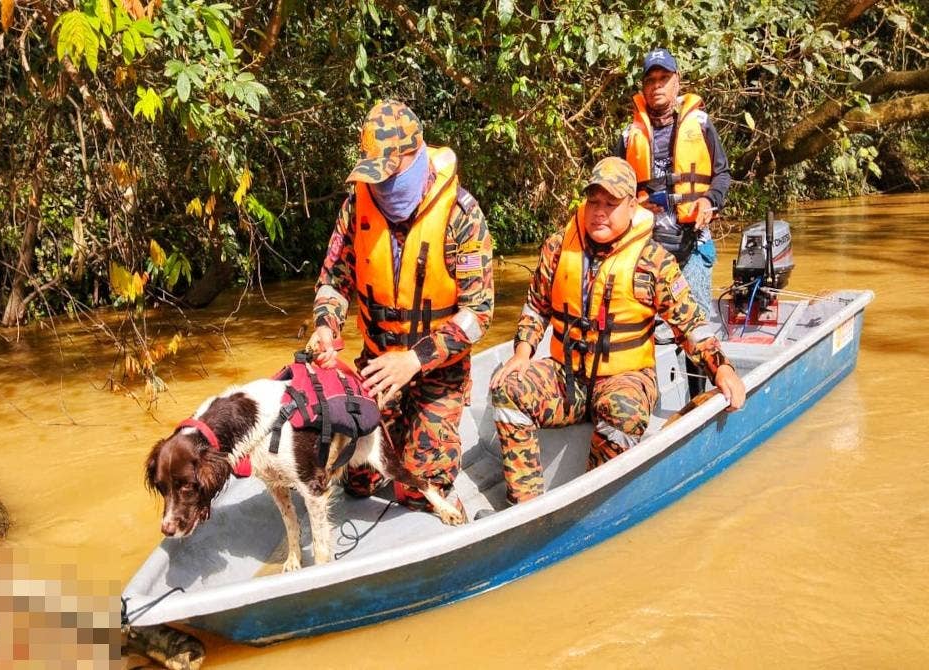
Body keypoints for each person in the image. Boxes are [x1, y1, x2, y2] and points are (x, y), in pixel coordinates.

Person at [489, 157, 744, 506]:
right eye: (593, 202)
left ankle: (594, 502)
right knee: (508, 389)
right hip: (568, 375)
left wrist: (722, 367)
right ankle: (525, 507)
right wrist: (522, 353)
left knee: (624, 410)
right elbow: (536, 306)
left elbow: (690, 325)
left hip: (626, 375)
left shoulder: (653, 261)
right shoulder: (558, 246)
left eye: (611, 204)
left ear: (632, 205)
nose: (599, 212)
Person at [307, 100, 494, 513]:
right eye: (375, 176)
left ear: (416, 154)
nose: (382, 187)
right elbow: (333, 281)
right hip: (376, 365)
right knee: (354, 476)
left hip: (437, 372)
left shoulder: (462, 216)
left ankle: (442, 491)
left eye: (390, 174)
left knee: (417, 486)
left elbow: (478, 315)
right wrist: (326, 326)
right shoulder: (357, 208)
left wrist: (415, 358)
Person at [615, 47, 732, 395]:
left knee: (694, 321)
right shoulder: (627, 137)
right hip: (646, 246)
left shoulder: (702, 125)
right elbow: (614, 191)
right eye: (650, 80)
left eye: (664, 79)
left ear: (677, 82)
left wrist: (710, 202)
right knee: (639, 322)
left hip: (691, 241)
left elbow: (722, 175)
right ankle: (642, 394)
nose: (657, 87)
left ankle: (701, 397)